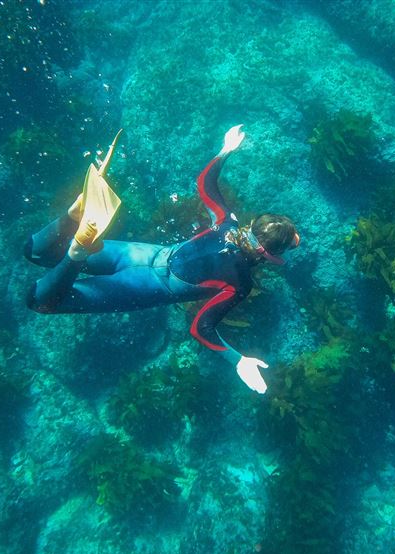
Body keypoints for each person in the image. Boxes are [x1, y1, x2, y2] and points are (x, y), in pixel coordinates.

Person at [24, 125, 300, 393]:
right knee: (39, 301)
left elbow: (204, 183)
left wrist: (225, 150)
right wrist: (238, 360)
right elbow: (200, 329)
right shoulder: (239, 284)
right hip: (141, 286)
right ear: (269, 255)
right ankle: (75, 256)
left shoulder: (226, 222)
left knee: (35, 252)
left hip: (142, 254)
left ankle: (72, 217)